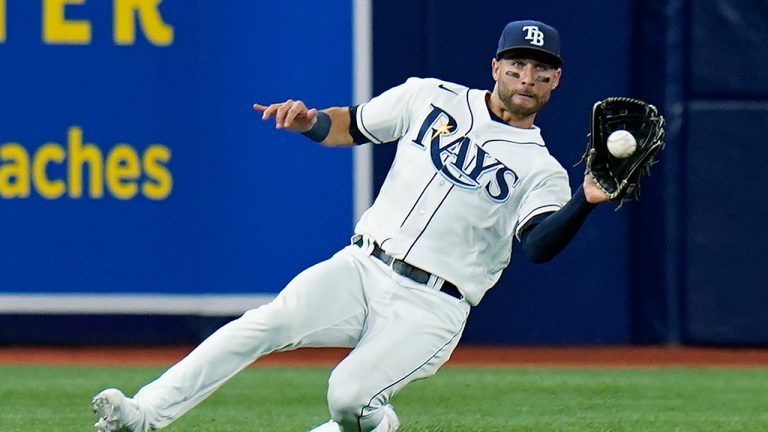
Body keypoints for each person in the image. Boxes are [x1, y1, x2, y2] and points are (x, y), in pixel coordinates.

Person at [91, 19, 609, 432]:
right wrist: (309, 120)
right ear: (495, 66)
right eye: (518, 63)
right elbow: (353, 125)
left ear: (556, 79)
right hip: (362, 265)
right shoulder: (429, 96)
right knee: (262, 324)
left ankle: (374, 423)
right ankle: (143, 414)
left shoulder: (541, 170)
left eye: (541, 69)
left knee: (349, 397)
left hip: (433, 304)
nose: (527, 77)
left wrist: (584, 200)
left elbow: (539, 245)